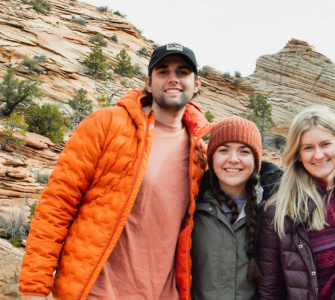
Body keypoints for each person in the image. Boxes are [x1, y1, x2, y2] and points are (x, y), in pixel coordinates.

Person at [19, 43, 212, 300]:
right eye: (163, 71)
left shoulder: (200, 154)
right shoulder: (107, 124)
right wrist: (33, 288)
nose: (173, 78)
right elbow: (56, 206)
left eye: (182, 72)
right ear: (148, 82)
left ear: (196, 83)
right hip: (97, 293)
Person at [257, 105, 335, 300]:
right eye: (308, 148)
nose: (318, 155)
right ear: (298, 154)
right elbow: (270, 291)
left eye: (325, 144)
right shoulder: (279, 213)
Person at [191, 116, 283, 300]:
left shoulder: (276, 210)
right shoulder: (191, 207)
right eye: (224, 150)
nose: (233, 159)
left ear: (256, 160)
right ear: (212, 157)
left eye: (244, 151)